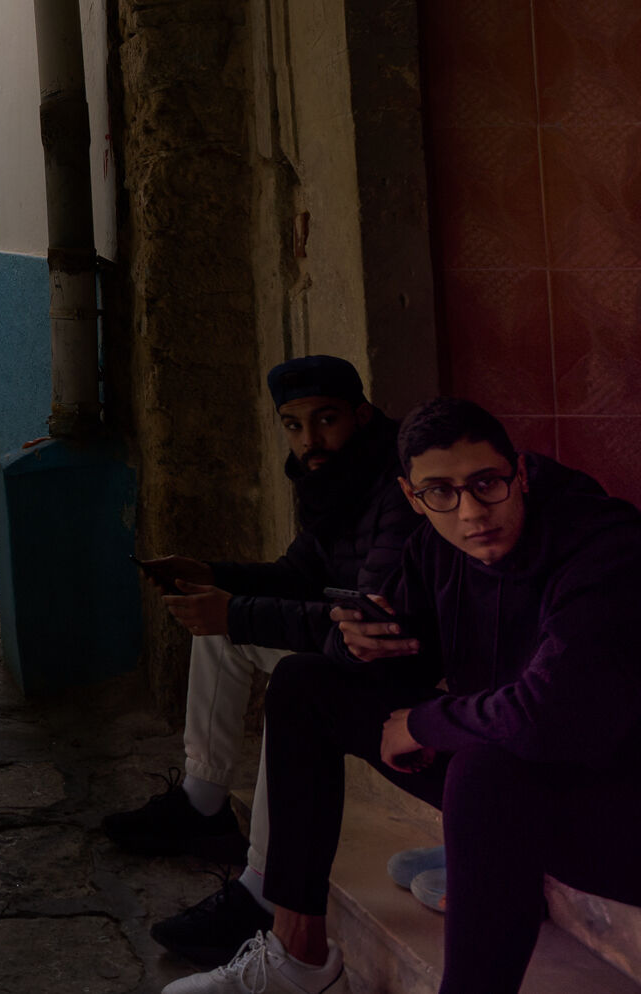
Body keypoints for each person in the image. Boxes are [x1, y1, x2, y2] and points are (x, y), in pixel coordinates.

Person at [167, 397, 641, 994]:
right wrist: (356, 644)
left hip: (618, 809)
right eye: (440, 492)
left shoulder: (604, 547)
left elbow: (549, 714)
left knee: (483, 773)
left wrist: (423, 722)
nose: (471, 512)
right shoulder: (436, 544)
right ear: (412, 497)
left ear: (520, 473)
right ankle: (298, 957)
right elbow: (404, 650)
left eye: (487, 483)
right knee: (306, 685)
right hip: (521, 780)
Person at [104, 355, 417, 966]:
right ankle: (202, 802)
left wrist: (236, 610)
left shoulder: (397, 486)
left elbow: (375, 621)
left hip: (396, 656)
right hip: (349, 640)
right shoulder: (334, 477)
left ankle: (262, 887)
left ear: (361, 415)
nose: (309, 440)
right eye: (294, 425)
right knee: (223, 630)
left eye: (325, 420)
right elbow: (300, 574)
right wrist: (212, 575)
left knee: (290, 677)